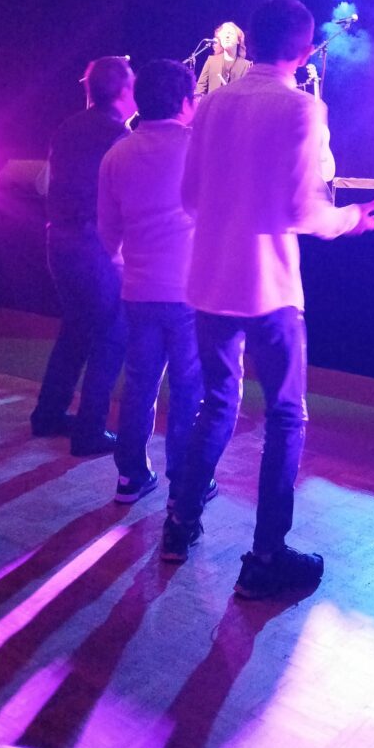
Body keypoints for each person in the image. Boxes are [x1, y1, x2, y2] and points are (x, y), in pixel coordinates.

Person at [161, 0, 374, 599]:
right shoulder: (304, 107)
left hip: (209, 282)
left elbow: (189, 199)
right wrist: (351, 221)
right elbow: (301, 210)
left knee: (216, 404)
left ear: (249, 43)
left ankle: (178, 527)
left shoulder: (207, 106)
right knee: (286, 417)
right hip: (270, 289)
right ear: (307, 49)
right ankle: (265, 558)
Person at [98, 59, 217, 507]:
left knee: (139, 383)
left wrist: (127, 268)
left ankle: (130, 476)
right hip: (190, 292)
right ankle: (184, 482)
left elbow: (107, 232)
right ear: (187, 102)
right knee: (189, 388)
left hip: (139, 291)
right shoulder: (199, 148)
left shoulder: (117, 153)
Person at [30, 56, 136, 456]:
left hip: (59, 241)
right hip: (94, 246)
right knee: (112, 334)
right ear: (123, 91)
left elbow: (47, 185)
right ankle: (90, 430)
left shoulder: (68, 127)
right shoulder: (117, 137)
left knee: (75, 329)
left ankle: (48, 415)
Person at [194, 21, 252, 94]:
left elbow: (246, 93)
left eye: (230, 33)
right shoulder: (211, 61)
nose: (227, 36)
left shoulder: (246, 65)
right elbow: (200, 89)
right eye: (224, 34)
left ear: (238, 40)